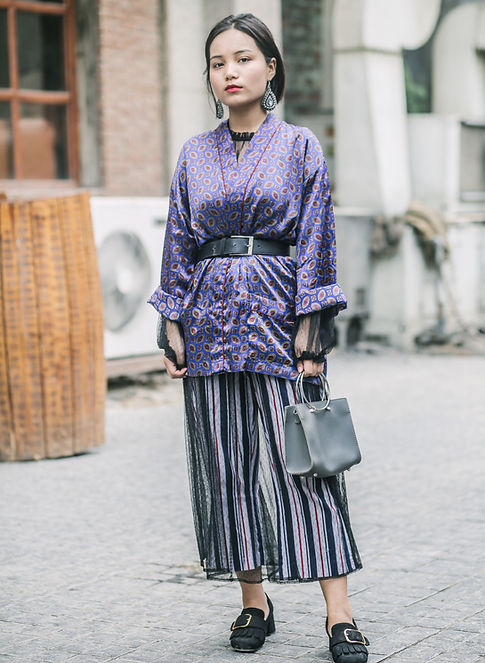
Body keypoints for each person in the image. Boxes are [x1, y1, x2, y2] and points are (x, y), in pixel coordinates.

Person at [148, 13, 369, 663]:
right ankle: (254, 602)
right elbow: (178, 241)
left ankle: (339, 615)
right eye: (218, 63)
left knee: (307, 464)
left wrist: (311, 335)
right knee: (229, 468)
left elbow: (316, 241)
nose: (230, 72)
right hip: (210, 326)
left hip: (278, 324)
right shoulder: (194, 153)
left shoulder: (299, 146)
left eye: (243, 59)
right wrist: (171, 324)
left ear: (270, 67)